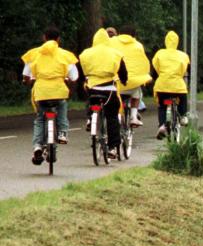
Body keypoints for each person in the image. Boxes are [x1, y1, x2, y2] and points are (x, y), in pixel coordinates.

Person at [22, 26, 79, 164]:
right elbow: (74, 77)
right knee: (62, 109)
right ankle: (62, 133)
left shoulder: (33, 54)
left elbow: (26, 76)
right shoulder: (66, 55)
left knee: (40, 120)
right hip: (59, 91)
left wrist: (28, 81)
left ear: (44, 38)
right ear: (58, 40)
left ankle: (37, 146)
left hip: (41, 93)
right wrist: (69, 88)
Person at [79, 28, 128, 159]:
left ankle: (90, 118)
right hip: (109, 90)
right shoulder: (115, 53)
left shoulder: (85, 53)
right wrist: (124, 81)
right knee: (112, 115)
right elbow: (122, 72)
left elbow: (81, 72)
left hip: (92, 88)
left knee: (91, 102)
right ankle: (112, 148)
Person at [108, 25, 152, 127]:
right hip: (131, 83)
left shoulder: (111, 42)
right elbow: (143, 63)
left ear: (119, 33)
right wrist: (145, 77)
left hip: (115, 83)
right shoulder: (138, 45)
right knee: (137, 92)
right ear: (134, 35)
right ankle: (133, 117)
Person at [152, 31, 190, 139]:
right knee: (183, 97)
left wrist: (157, 79)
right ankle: (182, 116)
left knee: (162, 106)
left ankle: (162, 125)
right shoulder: (183, 55)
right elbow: (188, 71)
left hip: (162, 85)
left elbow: (155, 71)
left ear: (165, 41)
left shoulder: (159, 54)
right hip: (177, 86)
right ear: (177, 42)